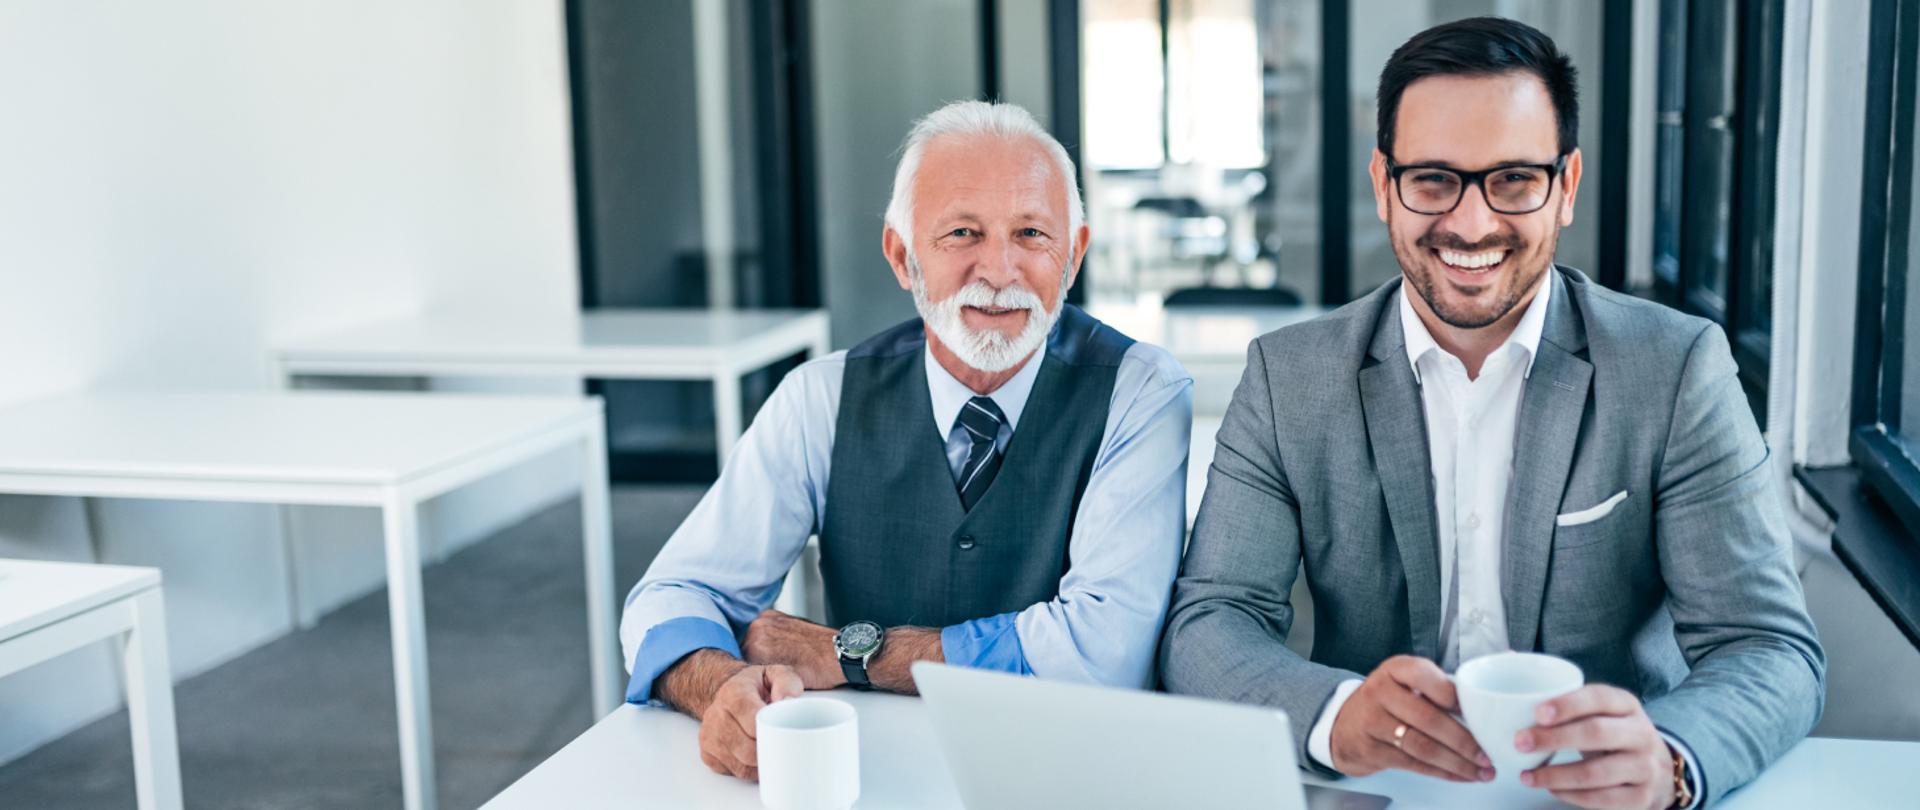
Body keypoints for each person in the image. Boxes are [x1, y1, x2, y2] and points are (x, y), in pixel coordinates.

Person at [1158, 17, 1823, 810]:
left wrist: (1671, 762)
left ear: (1566, 187)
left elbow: (1767, 644)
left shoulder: (1675, 369)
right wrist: (1335, 717)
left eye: (1512, 179)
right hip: (1381, 793)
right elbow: (1209, 622)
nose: (1471, 224)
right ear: (1383, 185)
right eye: (1434, 179)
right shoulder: (1287, 377)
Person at [620, 100, 1193, 782]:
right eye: (962, 233)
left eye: (1032, 233)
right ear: (902, 255)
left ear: (1073, 255)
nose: (1001, 271)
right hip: (871, 775)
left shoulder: (1140, 390)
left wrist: (848, 653)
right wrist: (718, 688)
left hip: (1077, 773)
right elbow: (673, 595)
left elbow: (1107, 652)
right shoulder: (822, 398)